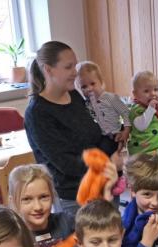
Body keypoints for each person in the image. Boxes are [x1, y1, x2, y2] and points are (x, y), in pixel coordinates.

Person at [24, 41, 118, 216]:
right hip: (75, 197)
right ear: (48, 69)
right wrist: (109, 161)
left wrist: (115, 141)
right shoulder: (37, 113)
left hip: (105, 183)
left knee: (112, 239)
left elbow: (99, 135)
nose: (75, 73)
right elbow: (68, 165)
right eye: (68, 67)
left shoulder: (74, 96)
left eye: (75, 65)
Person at [75, 61, 131, 157]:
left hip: (113, 135)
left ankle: (114, 168)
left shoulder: (110, 98)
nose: (89, 89)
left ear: (100, 82)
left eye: (93, 84)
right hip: (98, 136)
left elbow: (126, 113)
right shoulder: (85, 103)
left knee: (104, 151)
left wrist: (126, 131)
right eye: (84, 87)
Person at [128, 70, 158, 156]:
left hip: (154, 151)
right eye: (146, 91)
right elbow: (141, 126)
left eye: (156, 89)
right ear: (135, 94)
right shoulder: (136, 109)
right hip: (141, 152)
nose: (153, 94)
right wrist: (150, 108)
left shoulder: (155, 107)